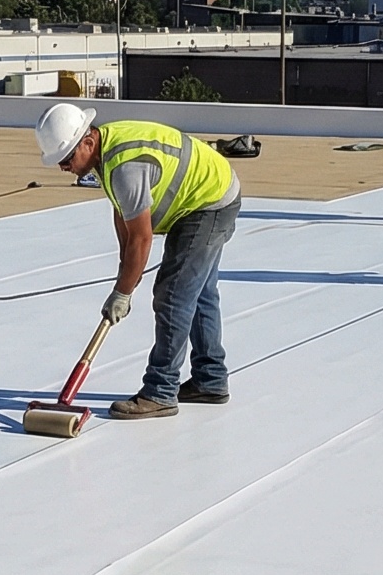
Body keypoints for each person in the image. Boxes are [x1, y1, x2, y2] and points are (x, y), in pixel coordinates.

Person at [37, 101, 240, 420]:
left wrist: (123, 292)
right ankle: (209, 380)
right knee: (198, 293)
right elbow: (124, 213)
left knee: (173, 296)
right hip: (207, 193)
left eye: (66, 158)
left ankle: (160, 391)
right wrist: (124, 273)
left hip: (209, 202)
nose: (64, 167)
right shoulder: (105, 152)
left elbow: (142, 238)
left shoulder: (125, 166)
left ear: (87, 142)